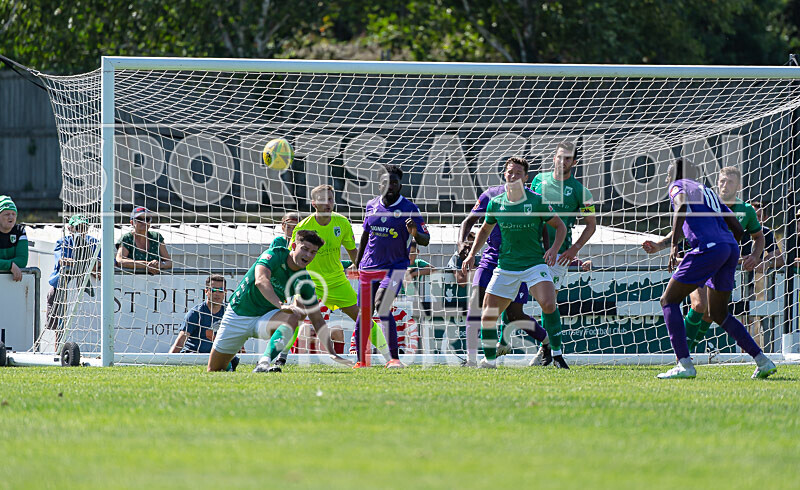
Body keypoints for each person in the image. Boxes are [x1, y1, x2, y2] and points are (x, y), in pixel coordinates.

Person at [647, 159, 776, 379]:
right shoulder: (707, 191)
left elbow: (681, 205)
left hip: (708, 248)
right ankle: (763, 361)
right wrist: (726, 248)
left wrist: (675, 244)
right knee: (718, 313)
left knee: (668, 300)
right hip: (729, 248)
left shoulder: (678, 185)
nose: (667, 181)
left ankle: (684, 364)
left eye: (668, 177)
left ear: (672, 176)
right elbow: (737, 227)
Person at [256, 185, 390, 371]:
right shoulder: (303, 227)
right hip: (310, 281)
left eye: (330, 199)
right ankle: (280, 357)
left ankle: (389, 358)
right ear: (313, 203)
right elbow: (292, 258)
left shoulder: (342, 223)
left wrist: (363, 271)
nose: (328, 203)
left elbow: (353, 251)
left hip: (337, 281)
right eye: (323, 200)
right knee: (295, 316)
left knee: (363, 317)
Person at [462, 156, 568, 369]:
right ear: (504, 174)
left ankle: (556, 354)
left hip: (533, 264)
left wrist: (553, 249)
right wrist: (471, 253)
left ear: (526, 177)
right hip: (506, 266)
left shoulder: (536, 201)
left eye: (518, 173)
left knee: (548, 304)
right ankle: (488, 361)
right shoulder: (496, 202)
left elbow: (560, 226)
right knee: (487, 315)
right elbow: (484, 230)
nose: (513, 176)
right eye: (510, 172)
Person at [207, 230, 350, 372]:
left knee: (295, 314)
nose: (308, 255)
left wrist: (332, 353)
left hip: (266, 318)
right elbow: (261, 280)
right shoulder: (275, 254)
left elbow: (317, 319)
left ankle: (264, 363)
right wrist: (281, 305)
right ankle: (230, 363)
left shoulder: (304, 280)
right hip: (238, 315)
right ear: (293, 246)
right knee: (214, 370)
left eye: (313, 252)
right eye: (305, 249)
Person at [525, 141, 597, 364]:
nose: (562, 161)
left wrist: (574, 250)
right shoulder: (538, 180)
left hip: (559, 254)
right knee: (513, 298)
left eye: (568, 158)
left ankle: (546, 349)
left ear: (574, 162)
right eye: (559, 156)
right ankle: (502, 344)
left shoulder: (581, 191)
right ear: (553, 158)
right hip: (530, 250)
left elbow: (591, 225)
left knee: (548, 303)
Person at [354, 164, 430, 368]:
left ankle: (394, 359)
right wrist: (358, 262)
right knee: (364, 313)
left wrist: (415, 233)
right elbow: (365, 235)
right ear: (379, 185)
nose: (390, 186)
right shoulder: (371, 205)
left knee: (382, 305)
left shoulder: (409, 209)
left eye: (394, 182)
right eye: (386, 182)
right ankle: (361, 361)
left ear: (400, 185)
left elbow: (425, 240)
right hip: (368, 267)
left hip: (395, 267)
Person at [46, 214, 101, 335]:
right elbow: (63, 261)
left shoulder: (94, 242)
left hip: (85, 286)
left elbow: (108, 261)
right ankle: (57, 345)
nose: (81, 231)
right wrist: (89, 265)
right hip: (62, 285)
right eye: (78, 227)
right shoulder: (63, 241)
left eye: (84, 227)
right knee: (59, 326)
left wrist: (96, 266)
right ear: (70, 228)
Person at [743, 201, 785, 347]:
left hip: (753, 284)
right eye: (752, 215)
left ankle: (760, 349)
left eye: (759, 216)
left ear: (765, 218)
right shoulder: (737, 228)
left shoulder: (765, 232)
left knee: (757, 315)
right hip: (731, 280)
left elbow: (780, 259)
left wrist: (767, 262)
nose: (755, 219)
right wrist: (745, 260)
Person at [170, 274, 227, 354]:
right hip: (194, 355)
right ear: (206, 292)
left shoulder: (229, 312)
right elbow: (180, 341)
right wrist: (169, 359)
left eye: (221, 290)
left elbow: (237, 339)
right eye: (213, 290)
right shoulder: (195, 313)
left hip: (218, 356)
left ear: (225, 292)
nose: (217, 293)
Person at [116, 207, 172, 274]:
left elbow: (169, 262)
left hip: (155, 279)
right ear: (132, 222)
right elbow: (119, 261)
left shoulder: (156, 237)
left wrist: (159, 265)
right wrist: (147, 265)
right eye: (140, 219)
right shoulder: (127, 238)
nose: (144, 222)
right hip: (131, 279)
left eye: (147, 219)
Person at [0, 195, 28, 282]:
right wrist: (10, 265)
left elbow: (22, 261)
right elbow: (15, 263)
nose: (11, 217)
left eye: (13, 214)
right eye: (7, 214)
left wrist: (4, 264)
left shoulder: (20, 231)